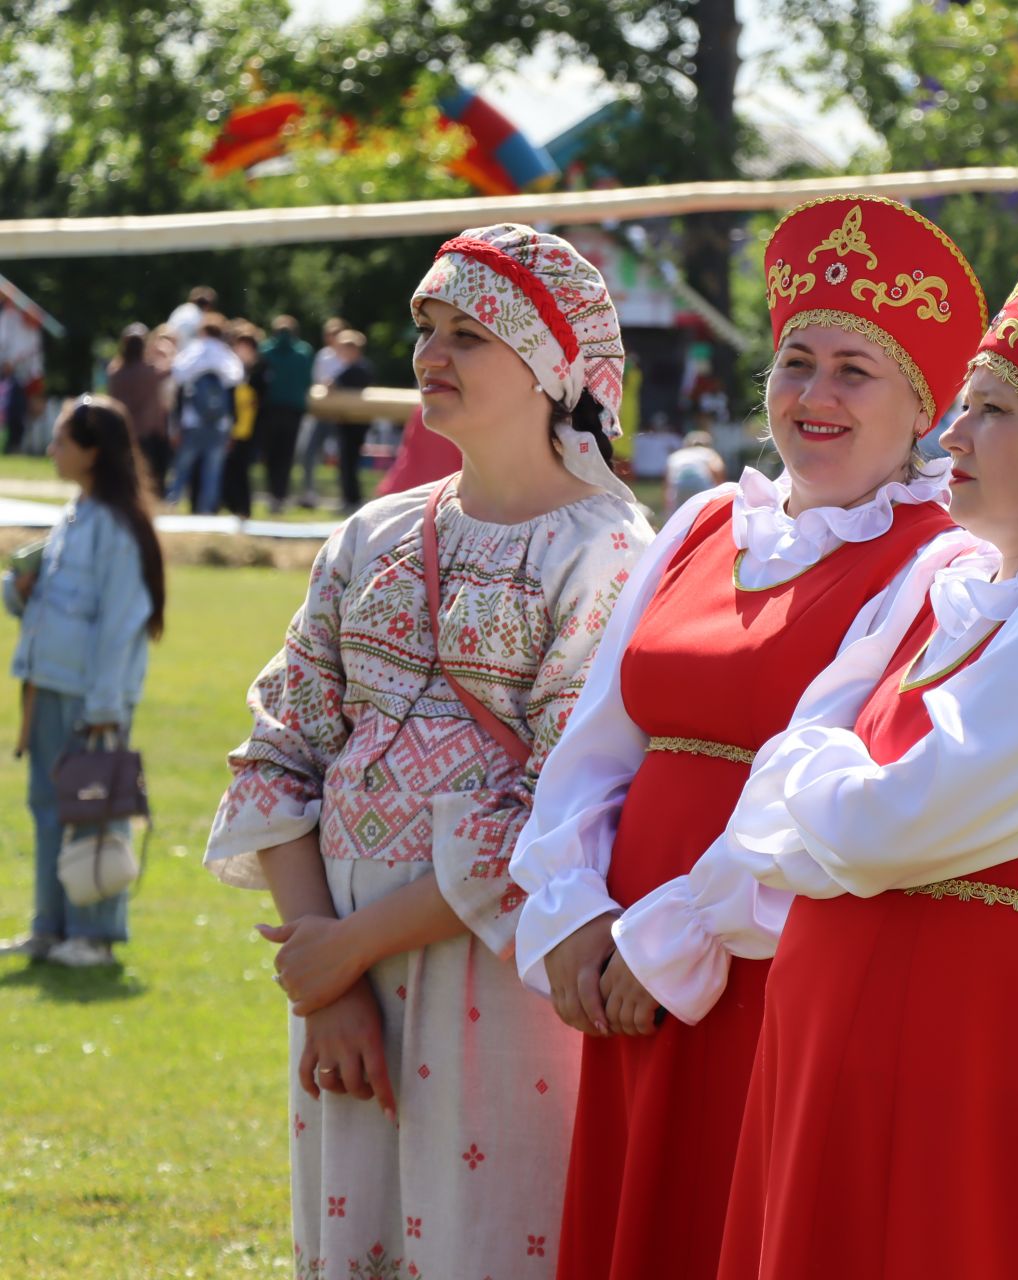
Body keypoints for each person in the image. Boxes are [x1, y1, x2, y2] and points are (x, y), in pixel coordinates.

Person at [620, 237, 1018, 1280]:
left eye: (993, 409)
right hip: (875, 1071)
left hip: (985, 1081)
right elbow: (804, 790)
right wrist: (822, 781)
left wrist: (817, 778)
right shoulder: (969, 597)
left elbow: (873, 823)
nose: (952, 431)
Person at [507, 195, 986, 1280]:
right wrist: (578, 908)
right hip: (625, 950)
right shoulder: (705, 520)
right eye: (794, 361)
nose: (813, 394)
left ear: (923, 406)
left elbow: (832, 795)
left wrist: (671, 937)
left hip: (765, 969)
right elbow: (596, 742)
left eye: (853, 370)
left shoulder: (941, 564)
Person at [203, 224, 651, 1277]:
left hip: (497, 971)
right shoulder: (370, 536)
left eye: (470, 335)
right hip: (340, 959)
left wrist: (341, 952)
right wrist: (328, 970)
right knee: (349, 1237)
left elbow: (557, 804)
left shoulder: (612, 553)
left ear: (551, 368)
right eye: (426, 328)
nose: (431, 356)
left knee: (485, 1237)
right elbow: (281, 746)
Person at [1, 396, 164, 967]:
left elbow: (122, 624)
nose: (52, 449)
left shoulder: (117, 527)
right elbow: (53, 603)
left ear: (93, 451)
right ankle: (50, 927)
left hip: (89, 697)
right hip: (47, 685)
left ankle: (94, 937)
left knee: (95, 808)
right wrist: (16, 592)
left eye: (63, 440)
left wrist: (104, 705)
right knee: (49, 805)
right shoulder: (77, 515)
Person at [168, 315, 245, 514]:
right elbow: (237, 377)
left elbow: (178, 372)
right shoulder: (226, 354)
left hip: (193, 420)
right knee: (212, 471)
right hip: (219, 422)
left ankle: (171, 504)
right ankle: (206, 511)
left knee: (182, 468)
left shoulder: (194, 350)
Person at [105, 324, 171, 498]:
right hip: (147, 433)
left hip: (122, 430)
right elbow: (172, 368)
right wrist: (164, 349)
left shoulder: (115, 372)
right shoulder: (150, 372)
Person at [258, 316, 316, 514]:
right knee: (287, 453)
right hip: (294, 408)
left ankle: (272, 494)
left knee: (271, 453)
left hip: (270, 408)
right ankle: (281, 494)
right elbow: (308, 379)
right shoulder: (304, 352)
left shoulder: (265, 350)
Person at [297, 318, 349, 507]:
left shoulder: (347, 357)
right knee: (308, 452)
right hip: (321, 412)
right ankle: (309, 492)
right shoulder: (323, 356)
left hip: (342, 413)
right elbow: (317, 381)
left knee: (344, 456)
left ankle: (345, 495)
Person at [222, 323, 267, 517]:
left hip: (251, 429)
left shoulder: (260, 371)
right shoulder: (230, 368)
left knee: (241, 469)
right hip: (233, 427)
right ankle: (231, 507)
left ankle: (243, 509)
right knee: (228, 468)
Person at [328, 330, 376, 512]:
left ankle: (351, 499)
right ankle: (349, 498)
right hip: (350, 421)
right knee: (347, 462)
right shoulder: (357, 368)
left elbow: (335, 385)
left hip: (354, 423)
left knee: (349, 462)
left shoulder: (358, 369)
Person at [662, 427, 726, 516]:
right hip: (701, 483)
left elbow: (668, 482)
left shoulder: (675, 455)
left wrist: (667, 505)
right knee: (704, 512)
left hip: (679, 485)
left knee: (680, 515)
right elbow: (717, 468)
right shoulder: (708, 452)